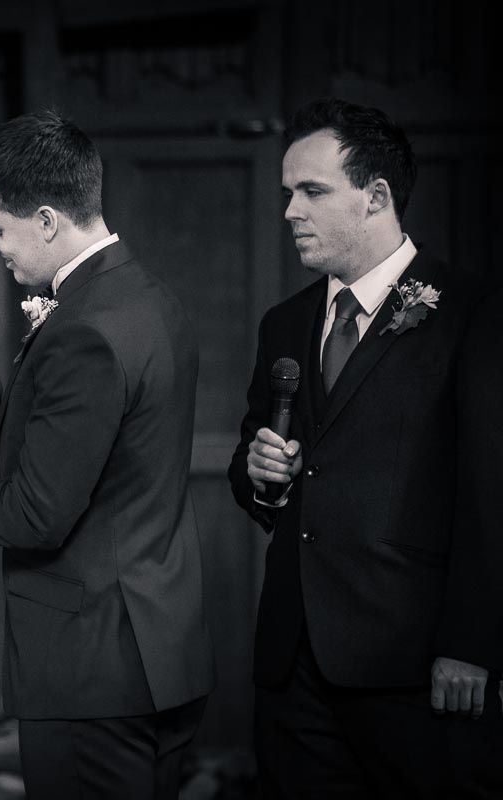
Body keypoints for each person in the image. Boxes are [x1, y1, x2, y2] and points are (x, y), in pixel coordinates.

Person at [0, 110, 214, 800]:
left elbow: (37, 514)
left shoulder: (84, 328)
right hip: (155, 643)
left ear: (49, 220)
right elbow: (95, 452)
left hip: (93, 664)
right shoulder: (144, 297)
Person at [229, 97, 503, 798]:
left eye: (311, 191)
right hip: (293, 660)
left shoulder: (470, 312)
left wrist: (471, 644)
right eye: (287, 193)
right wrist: (261, 475)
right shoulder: (284, 322)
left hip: (413, 660)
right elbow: (256, 466)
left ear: (376, 196)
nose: (290, 210)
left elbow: (490, 489)